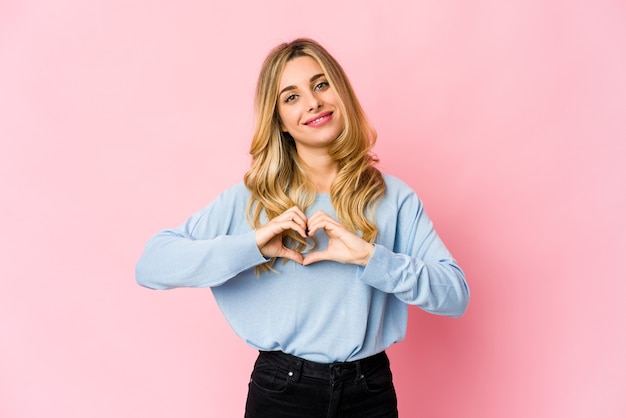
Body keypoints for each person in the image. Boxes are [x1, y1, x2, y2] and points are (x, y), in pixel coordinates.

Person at [136, 38, 470, 418]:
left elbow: (455, 295)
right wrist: (254, 246)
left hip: (369, 392)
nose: (313, 102)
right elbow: (151, 265)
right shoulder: (254, 198)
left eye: (321, 84)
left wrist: (370, 257)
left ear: (340, 92)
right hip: (282, 392)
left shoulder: (394, 197)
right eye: (291, 97)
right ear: (278, 119)